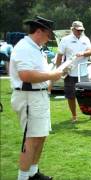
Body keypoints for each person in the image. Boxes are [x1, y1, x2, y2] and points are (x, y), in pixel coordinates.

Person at [9, 16, 62, 180]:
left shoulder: (34, 47)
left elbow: (39, 73)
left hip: (37, 96)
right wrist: (52, 74)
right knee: (31, 140)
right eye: (48, 35)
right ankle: (23, 177)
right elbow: (25, 75)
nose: (48, 39)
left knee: (40, 136)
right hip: (29, 98)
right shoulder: (25, 47)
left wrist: (53, 75)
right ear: (39, 31)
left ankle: (33, 173)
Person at [56, 20, 91, 123]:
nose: (79, 32)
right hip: (70, 73)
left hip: (83, 73)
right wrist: (59, 70)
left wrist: (83, 53)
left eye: (81, 30)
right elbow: (59, 56)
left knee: (87, 95)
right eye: (77, 30)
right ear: (72, 29)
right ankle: (74, 116)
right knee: (71, 96)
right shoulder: (65, 40)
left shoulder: (85, 39)